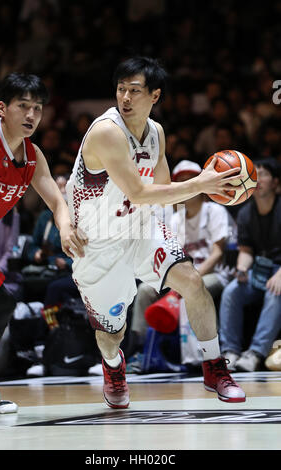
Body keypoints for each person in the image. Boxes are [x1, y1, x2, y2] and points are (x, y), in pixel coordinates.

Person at [66, 56, 246, 408]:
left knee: (192, 281)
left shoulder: (156, 132)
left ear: (155, 95)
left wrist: (208, 187)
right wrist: (200, 184)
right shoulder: (106, 131)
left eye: (135, 91)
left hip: (142, 226)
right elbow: (140, 191)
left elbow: (161, 186)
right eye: (121, 90)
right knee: (111, 334)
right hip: (98, 242)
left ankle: (214, 367)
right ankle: (114, 366)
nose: (126, 98)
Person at [0, 73, 86, 414]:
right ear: (2, 108)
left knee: (2, 303)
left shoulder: (31, 156)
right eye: (22, 106)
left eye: (37, 108)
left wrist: (67, 230)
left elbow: (57, 203)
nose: (30, 115)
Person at [129, 159, 235, 356]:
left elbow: (218, 254)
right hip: (184, 273)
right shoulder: (176, 218)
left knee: (191, 290)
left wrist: (189, 279)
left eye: (191, 179)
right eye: (182, 181)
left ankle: (205, 356)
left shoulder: (215, 211)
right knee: (144, 290)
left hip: (215, 274)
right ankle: (139, 350)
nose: (187, 185)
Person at [219, 158, 281, 371]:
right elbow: (245, 251)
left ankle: (255, 353)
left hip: (279, 271)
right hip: (258, 270)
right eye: (255, 175)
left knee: (276, 291)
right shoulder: (245, 213)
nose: (258, 179)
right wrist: (242, 268)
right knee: (231, 291)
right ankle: (230, 351)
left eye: (263, 174)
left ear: (275, 182)